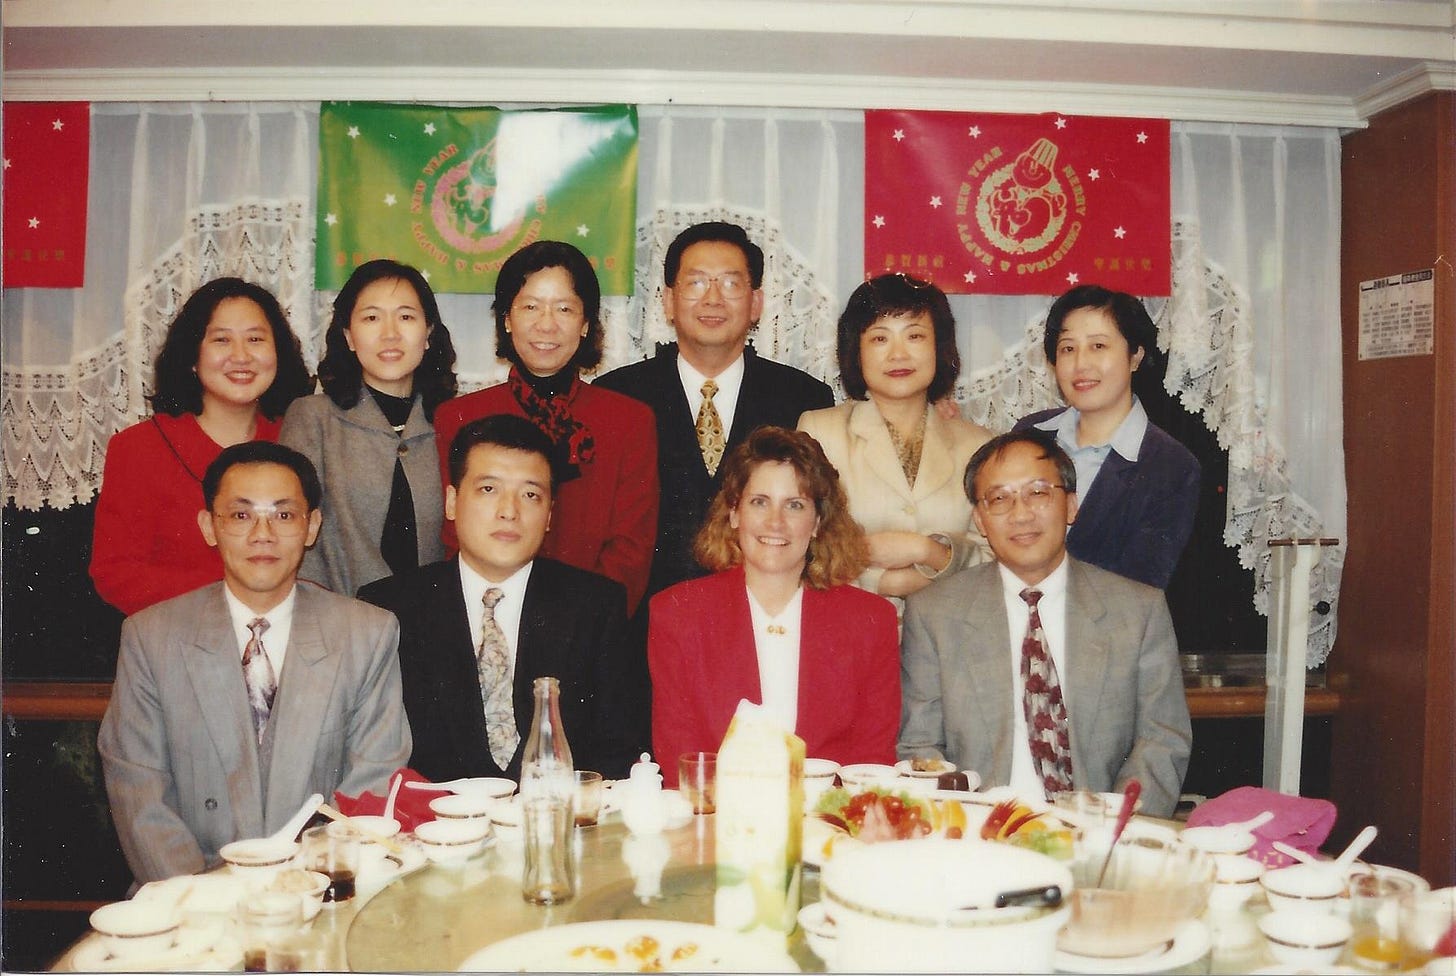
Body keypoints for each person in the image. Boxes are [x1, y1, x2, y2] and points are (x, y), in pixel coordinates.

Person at [98, 442, 411, 884]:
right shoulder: (151, 638)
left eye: (284, 515)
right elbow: (139, 794)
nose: (262, 534)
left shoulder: (366, 634)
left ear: (311, 526)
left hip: (320, 889)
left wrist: (300, 892)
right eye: (241, 515)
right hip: (188, 897)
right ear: (209, 526)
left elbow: (372, 782)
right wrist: (204, 900)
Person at [898, 430, 1191, 817]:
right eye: (999, 498)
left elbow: (1161, 740)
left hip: (1098, 833)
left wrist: (1113, 827)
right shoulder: (935, 614)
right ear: (980, 520)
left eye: (1038, 492)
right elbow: (920, 748)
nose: (1020, 514)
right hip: (979, 833)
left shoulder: (1138, 611)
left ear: (1070, 505)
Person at [359, 415, 637, 781]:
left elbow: (618, 755)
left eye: (530, 495)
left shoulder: (596, 606)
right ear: (452, 502)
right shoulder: (387, 608)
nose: (509, 511)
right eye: (489, 489)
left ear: (549, 515)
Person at [594, 222, 834, 600]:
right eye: (696, 283)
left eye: (730, 283)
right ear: (668, 301)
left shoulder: (804, 399)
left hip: (763, 613)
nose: (713, 299)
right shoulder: (617, 396)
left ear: (756, 303)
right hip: (643, 620)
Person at [649, 427, 899, 787]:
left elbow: (871, 760)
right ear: (734, 512)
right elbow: (682, 760)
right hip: (718, 816)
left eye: (794, 505)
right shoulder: (677, 614)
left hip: (831, 817)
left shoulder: (870, 620)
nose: (775, 522)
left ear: (817, 522)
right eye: (759, 502)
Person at [432, 241, 657, 614]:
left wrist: (581, 627)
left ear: (585, 324)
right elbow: (456, 536)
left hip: (592, 625)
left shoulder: (629, 420)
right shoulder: (459, 416)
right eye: (530, 307)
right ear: (507, 318)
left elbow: (630, 552)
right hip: (488, 617)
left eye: (564, 309)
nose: (546, 324)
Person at [90, 278, 311, 615]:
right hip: (180, 632)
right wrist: (240, 595)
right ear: (192, 356)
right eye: (222, 340)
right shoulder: (138, 449)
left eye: (255, 339)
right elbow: (116, 573)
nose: (241, 356)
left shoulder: (300, 438)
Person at [798, 272, 992, 603]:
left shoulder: (979, 445)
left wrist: (929, 552)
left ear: (939, 347)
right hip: (851, 621)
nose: (898, 354)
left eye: (914, 336)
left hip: (951, 627)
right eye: (880, 339)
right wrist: (880, 582)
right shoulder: (820, 431)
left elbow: (998, 552)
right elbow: (800, 541)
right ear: (856, 351)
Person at [280, 260, 457, 596]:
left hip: (432, 618)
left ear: (428, 334)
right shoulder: (312, 418)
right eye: (372, 318)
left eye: (406, 317)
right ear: (349, 336)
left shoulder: (451, 421)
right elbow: (294, 533)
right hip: (338, 616)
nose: (390, 334)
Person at [1014, 284, 1200, 589]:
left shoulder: (1171, 466)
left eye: (1098, 346)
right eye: (1068, 349)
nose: (1081, 364)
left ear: (1135, 356)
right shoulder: (1028, 434)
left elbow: (1139, 589)